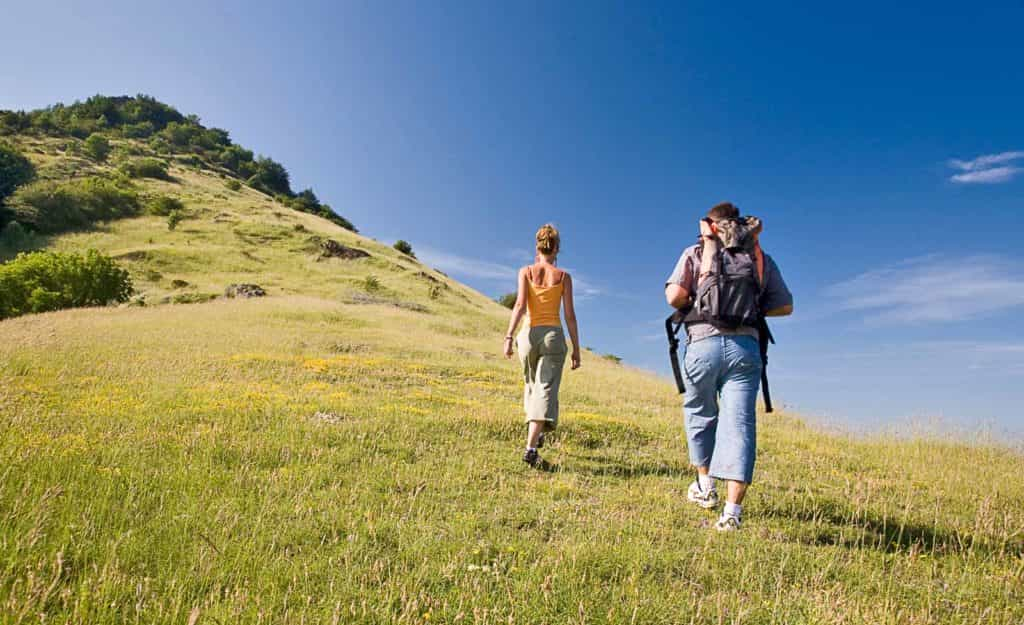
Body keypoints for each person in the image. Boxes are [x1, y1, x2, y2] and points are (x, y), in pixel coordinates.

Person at [664, 202, 793, 531]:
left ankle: (705, 486)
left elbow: (674, 297)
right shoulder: (758, 257)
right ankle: (732, 513)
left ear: (710, 225)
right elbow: (785, 305)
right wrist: (753, 307)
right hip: (745, 349)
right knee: (739, 424)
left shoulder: (696, 251)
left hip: (702, 344)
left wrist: (698, 300)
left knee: (699, 412)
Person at [503, 224, 581, 467]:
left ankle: (537, 434)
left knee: (531, 385)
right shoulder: (563, 277)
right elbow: (570, 315)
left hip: (527, 336)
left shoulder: (525, 271)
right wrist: (577, 349)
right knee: (545, 388)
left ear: (537, 247)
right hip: (552, 336)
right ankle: (531, 448)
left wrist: (508, 336)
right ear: (556, 248)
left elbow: (519, 305)